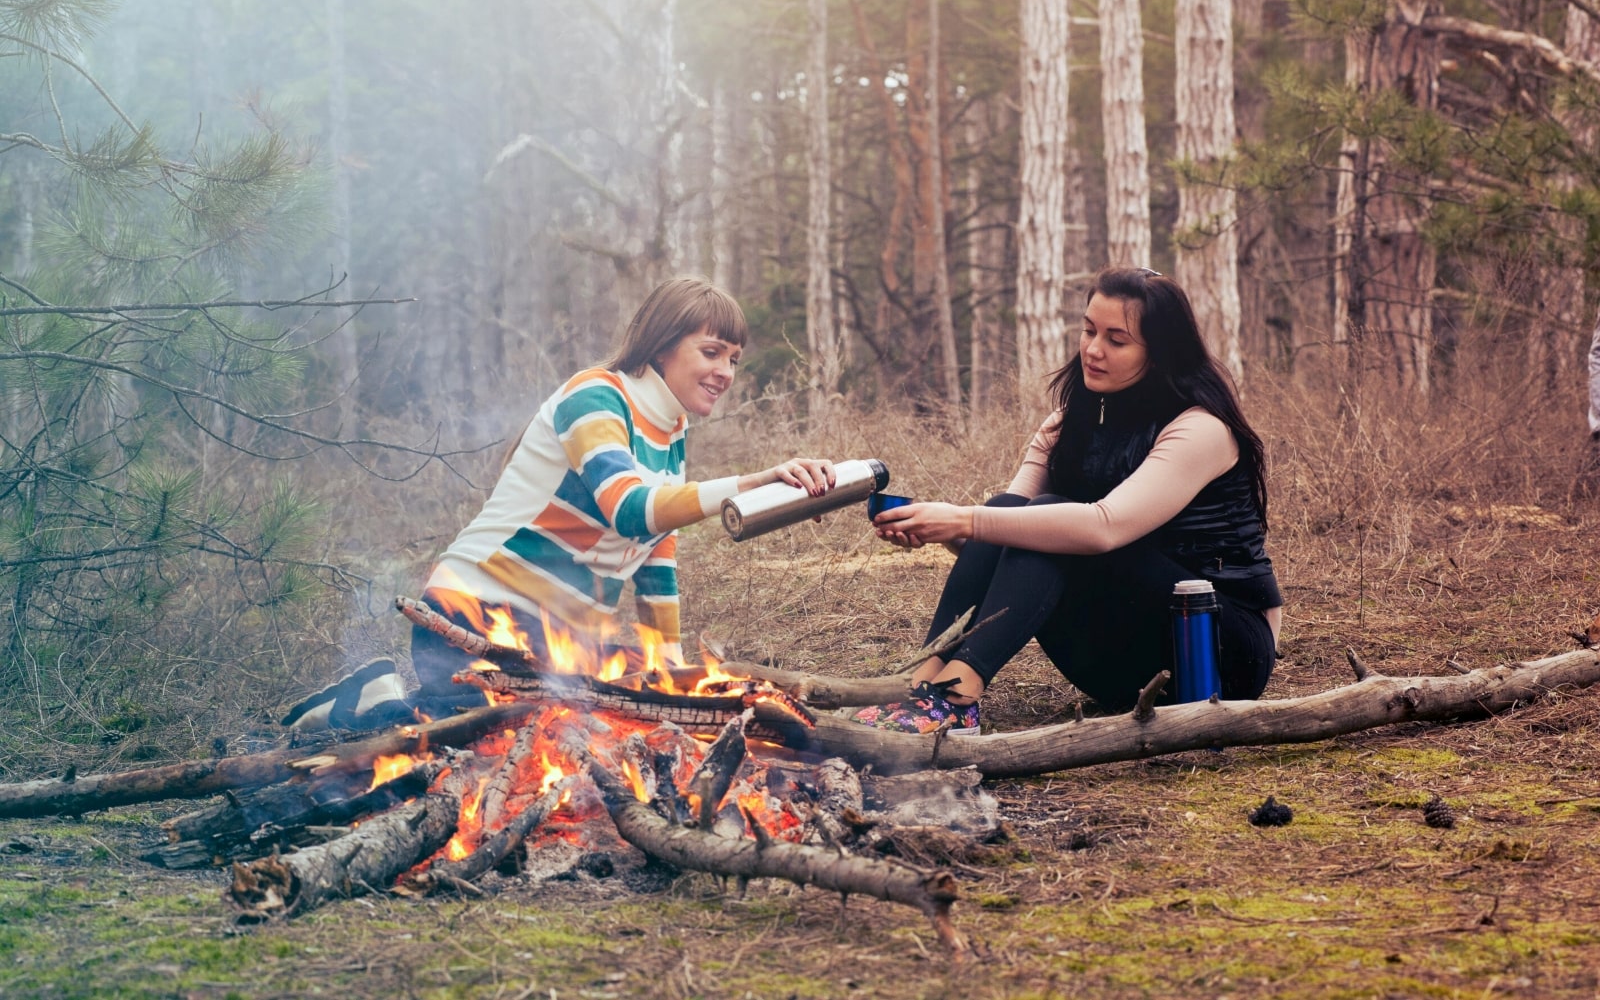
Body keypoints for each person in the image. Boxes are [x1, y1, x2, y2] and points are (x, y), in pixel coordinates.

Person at [284, 276, 835, 730]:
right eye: (711, 352)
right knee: (477, 737)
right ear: (662, 346)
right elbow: (631, 509)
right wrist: (748, 484)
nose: (726, 373)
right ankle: (364, 702)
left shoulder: (672, 430)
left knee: (601, 729)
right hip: (476, 613)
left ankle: (390, 699)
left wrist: (669, 664)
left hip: (559, 643)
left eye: (734, 359)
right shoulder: (594, 395)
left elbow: (656, 549)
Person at [850, 267, 1282, 735]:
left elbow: (1103, 527)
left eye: (1117, 340)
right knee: (1009, 509)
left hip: (1217, 654)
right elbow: (1006, 538)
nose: (1093, 350)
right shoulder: (1064, 423)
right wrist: (944, 530)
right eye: (1088, 330)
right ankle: (917, 688)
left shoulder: (1200, 429)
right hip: (1122, 661)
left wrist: (963, 520)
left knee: (1037, 519)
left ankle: (957, 699)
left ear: (1160, 353)